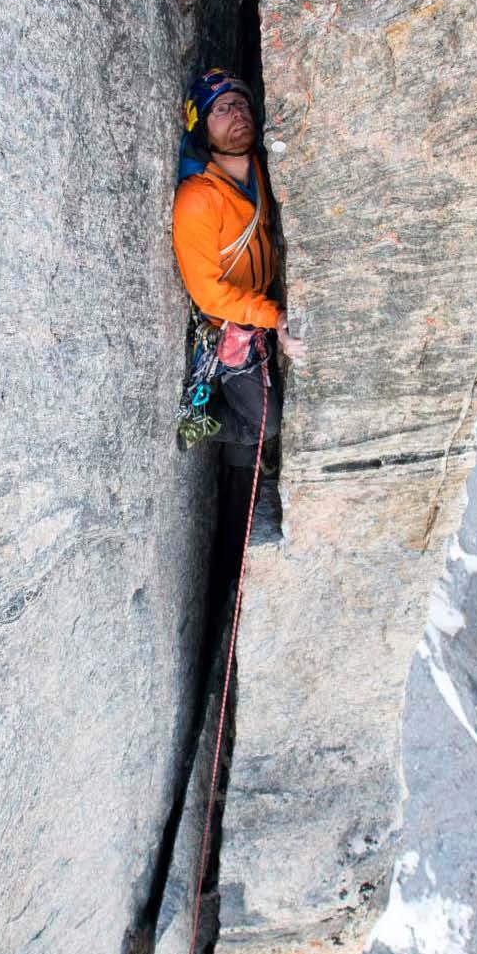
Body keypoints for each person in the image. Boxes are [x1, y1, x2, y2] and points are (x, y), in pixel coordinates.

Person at [172, 68, 303, 596]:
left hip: (253, 320)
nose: (237, 114)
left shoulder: (257, 175)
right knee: (263, 423)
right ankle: (195, 422)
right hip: (227, 328)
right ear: (202, 127)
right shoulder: (198, 199)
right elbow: (208, 294)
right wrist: (273, 317)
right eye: (221, 109)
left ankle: (234, 542)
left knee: (250, 449)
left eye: (241, 103)